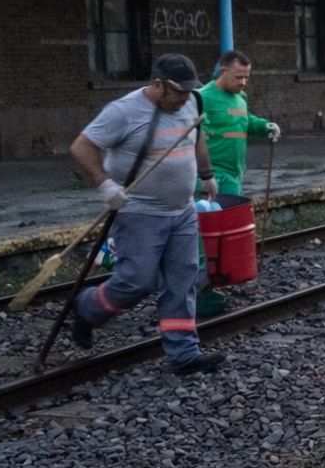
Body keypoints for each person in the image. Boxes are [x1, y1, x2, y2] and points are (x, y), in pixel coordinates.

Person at [67, 53, 225, 375]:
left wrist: (206, 175)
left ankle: (184, 356)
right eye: (178, 92)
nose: (184, 98)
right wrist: (105, 185)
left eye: (187, 91)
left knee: (183, 281)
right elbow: (81, 147)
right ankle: (86, 307)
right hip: (140, 213)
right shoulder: (123, 112)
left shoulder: (191, 103)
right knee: (137, 281)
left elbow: (196, 137)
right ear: (157, 85)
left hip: (183, 211)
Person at [197, 49, 280, 196]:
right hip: (207, 174)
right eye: (238, 77)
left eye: (246, 78)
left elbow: (245, 119)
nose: (243, 82)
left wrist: (264, 126)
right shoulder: (202, 97)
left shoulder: (241, 97)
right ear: (224, 71)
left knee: (232, 216)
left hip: (234, 174)